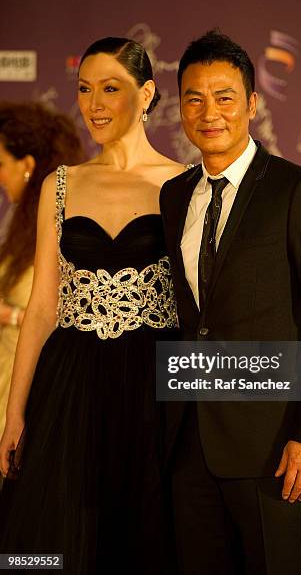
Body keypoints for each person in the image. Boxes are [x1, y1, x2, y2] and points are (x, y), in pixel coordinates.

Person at [159, 30, 301, 575]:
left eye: (224, 97)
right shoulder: (174, 196)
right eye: (194, 98)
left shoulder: (297, 190)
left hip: (277, 452)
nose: (209, 112)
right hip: (189, 451)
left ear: (252, 103)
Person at [0, 37, 184, 574]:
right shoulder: (61, 185)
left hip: (155, 387)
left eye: (111, 89)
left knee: (148, 537)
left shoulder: (182, 184)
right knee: (53, 543)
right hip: (72, 383)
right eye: (84, 89)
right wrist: (14, 412)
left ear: (147, 93)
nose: (95, 104)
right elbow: (41, 307)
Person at [0, 102, 84, 438]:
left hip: (33, 399)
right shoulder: (22, 228)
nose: (0, 176)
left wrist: (12, 316)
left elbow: (62, 312)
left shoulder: (59, 226)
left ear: (29, 165)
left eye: (2, 164)